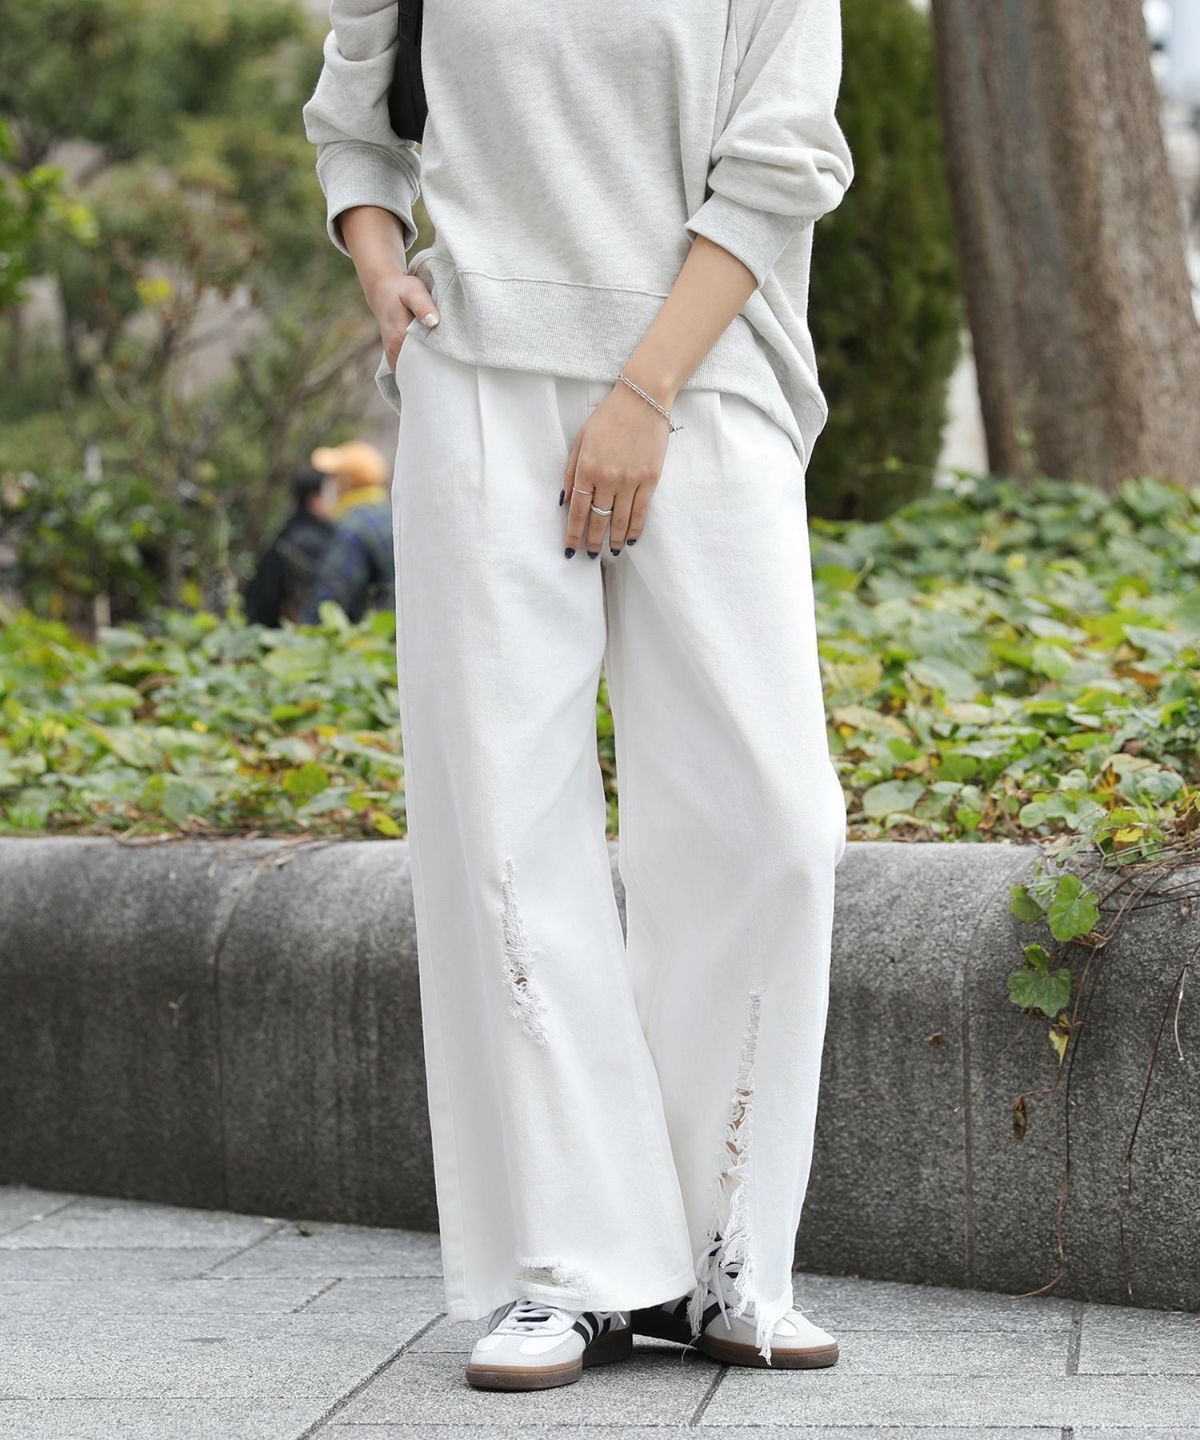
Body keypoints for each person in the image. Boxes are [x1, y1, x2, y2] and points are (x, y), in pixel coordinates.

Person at [303, 0, 853, 1392]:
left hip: (706, 382)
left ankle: (732, 1254)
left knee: (778, 823)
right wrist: (383, 276)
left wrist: (642, 395)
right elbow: (354, 122)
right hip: (480, 382)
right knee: (505, 830)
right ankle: (572, 1263)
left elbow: (784, 156)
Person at [302, 440, 396, 623]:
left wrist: (305, 629)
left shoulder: (352, 527)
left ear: (346, 483)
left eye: (334, 479)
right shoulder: (393, 514)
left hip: (373, 634)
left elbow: (334, 591)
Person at [242, 465, 337, 627]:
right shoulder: (309, 540)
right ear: (314, 500)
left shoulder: (290, 529)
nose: (336, 499)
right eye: (331, 494)